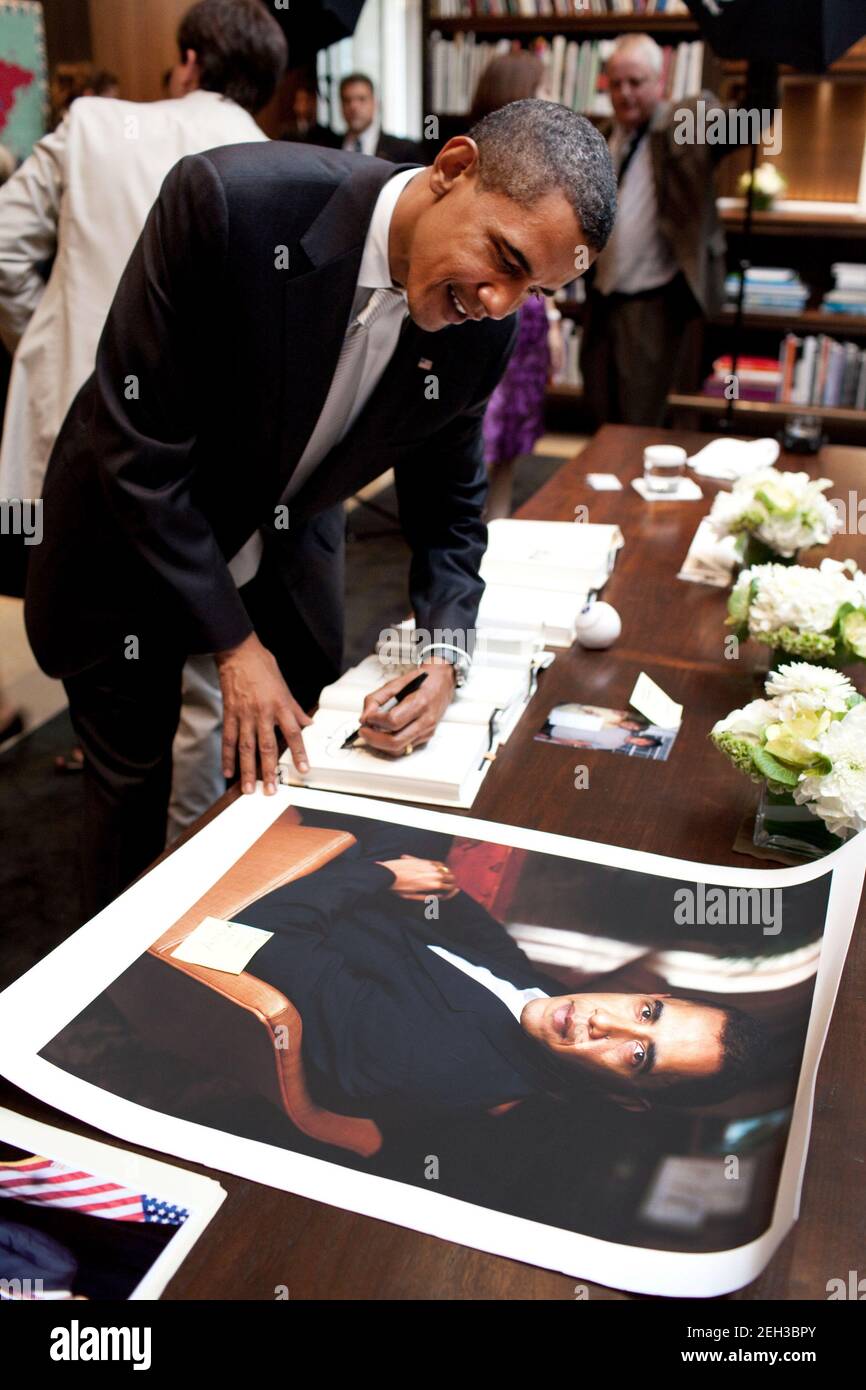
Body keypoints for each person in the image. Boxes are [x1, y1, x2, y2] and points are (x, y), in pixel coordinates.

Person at [24, 98, 616, 920]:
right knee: (130, 786)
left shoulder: (483, 328)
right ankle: (101, 1007)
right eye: (505, 257)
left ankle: (247, 944)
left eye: (534, 286)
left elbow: (449, 509)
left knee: (291, 774)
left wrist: (445, 651)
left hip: (287, 544)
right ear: (452, 170)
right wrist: (234, 647)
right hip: (130, 540)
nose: (501, 301)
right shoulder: (232, 204)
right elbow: (139, 450)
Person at [0, 0, 287, 836]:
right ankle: (188, 846)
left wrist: (50, 341)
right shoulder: (274, 165)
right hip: (203, 462)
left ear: (190, 59)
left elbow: (7, 248)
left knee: (98, 643)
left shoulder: (89, 127)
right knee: (204, 662)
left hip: (80, 442)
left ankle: (115, 777)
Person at [238, 833, 767, 1116]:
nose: (608, 1024)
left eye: (638, 1055)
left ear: (625, 1098)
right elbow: (467, 920)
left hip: (254, 892)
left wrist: (383, 875)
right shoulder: (546, 999)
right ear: (649, 994)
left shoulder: (428, 1061)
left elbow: (257, 931)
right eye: (647, 1013)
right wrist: (409, 876)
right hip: (324, 881)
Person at [580, 32, 736, 428]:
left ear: (659, 82)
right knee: (600, 413)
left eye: (636, 82)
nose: (625, 93)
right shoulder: (601, 133)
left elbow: (752, 122)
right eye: (616, 83)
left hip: (651, 303)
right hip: (600, 299)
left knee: (640, 423)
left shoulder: (682, 128)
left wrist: (763, 62)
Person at [468, 52, 566, 520]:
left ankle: (499, 524)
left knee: (510, 437)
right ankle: (469, 538)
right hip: (486, 312)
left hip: (527, 316)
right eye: (543, 89)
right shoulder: (478, 163)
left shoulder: (546, 168)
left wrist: (551, 317)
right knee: (480, 432)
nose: (553, 100)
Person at [340, 72, 420, 163]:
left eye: (361, 99)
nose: (353, 107)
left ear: (375, 103)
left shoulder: (404, 150)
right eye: (347, 100)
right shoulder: (328, 148)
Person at [285, 83, 339, 149]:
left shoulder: (325, 135)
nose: (308, 105)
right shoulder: (288, 133)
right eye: (302, 100)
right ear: (295, 105)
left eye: (312, 100)